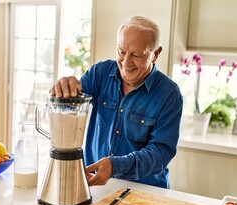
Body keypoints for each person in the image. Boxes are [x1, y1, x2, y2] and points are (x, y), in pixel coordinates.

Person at [51, 16, 183, 188]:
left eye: (136, 55)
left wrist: (115, 166)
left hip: (145, 190)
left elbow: (161, 152)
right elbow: (73, 99)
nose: (126, 62)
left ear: (155, 54)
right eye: (121, 52)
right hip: (96, 185)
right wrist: (65, 86)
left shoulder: (170, 95)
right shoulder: (100, 73)